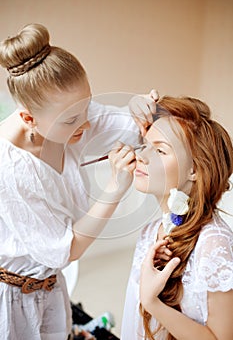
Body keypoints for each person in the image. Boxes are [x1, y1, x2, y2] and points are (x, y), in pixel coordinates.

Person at [0, 23, 155, 339]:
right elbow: (65, 250)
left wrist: (141, 109)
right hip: (14, 300)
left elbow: (123, 125)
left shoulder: (69, 116)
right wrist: (115, 189)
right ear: (29, 118)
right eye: (71, 119)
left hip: (51, 288)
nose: (85, 123)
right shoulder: (12, 169)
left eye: (86, 106)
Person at [121, 95, 233, 339]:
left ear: (194, 169)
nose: (142, 155)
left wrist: (152, 302)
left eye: (160, 150)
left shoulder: (214, 243)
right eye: (145, 145)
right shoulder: (150, 233)